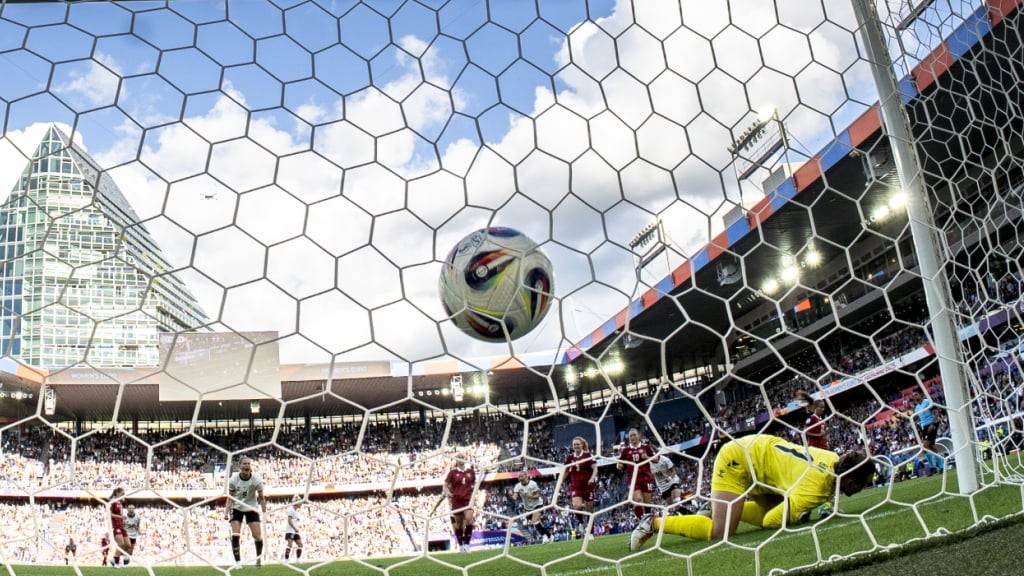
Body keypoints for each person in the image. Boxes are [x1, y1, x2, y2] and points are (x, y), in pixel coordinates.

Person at [630, 434, 875, 551]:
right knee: (721, 533)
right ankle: (654, 523)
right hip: (739, 459)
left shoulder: (833, 459)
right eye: (862, 483)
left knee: (775, 509)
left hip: (762, 459)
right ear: (850, 479)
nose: (863, 488)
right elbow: (771, 521)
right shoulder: (814, 489)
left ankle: (715, 508)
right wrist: (797, 512)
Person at [226, 457, 266, 569]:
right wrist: (225, 512)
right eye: (244, 463)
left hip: (251, 507)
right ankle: (238, 562)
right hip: (236, 508)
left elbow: (261, 497)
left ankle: (258, 560)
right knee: (235, 534)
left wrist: (264, 511)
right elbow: (230, 497)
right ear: (240, 466)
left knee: (257, 536)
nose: (247, 465)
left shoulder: (256, 480)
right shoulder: (233, 480)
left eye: (248, 463)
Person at [561, 436, 597, 537]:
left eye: (577, 444)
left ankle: (590, 531)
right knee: (576, 506)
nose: (576, 446)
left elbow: (595, 468)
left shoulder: (588, 455)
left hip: (588, 485)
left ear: (582, 445)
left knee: (589, 509)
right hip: (576, 485)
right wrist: (560, 481)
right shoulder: (570, 458)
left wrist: (592, 478)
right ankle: (581, 523)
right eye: (574, 444)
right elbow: (566, 471)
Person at [618, 428, 655, 520]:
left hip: (646, 477)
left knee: (647, 503)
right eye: (630, 436)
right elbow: (619, 463)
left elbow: (656, 460)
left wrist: (647, 457)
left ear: (639, 436)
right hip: (633, 479)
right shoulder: (625, 450)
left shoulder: (646, 447)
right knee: (638, 500)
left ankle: (647, 520)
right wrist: (619, 465)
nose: (632, 437)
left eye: (634, 435)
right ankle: (641, 520)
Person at [444, 454, 476, 553]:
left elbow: (474, 484)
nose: (461, 459)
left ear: (465, 459)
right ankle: (461, 545)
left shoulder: (470, 472)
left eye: (462, 458)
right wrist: (448, 492)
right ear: (456, 461)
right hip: (456, 501)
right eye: (459, 458)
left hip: (468, 500)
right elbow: (445, 485)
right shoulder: (452, 473)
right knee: (459, 525)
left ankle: (467, 544)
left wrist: (473, 494)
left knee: (469, 520)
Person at [512, 471, 551, 543]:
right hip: (528, 508)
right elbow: (515, 496)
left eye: (521, 476)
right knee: (537, 523)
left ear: (526, 476)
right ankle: (549, 535)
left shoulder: (533, 484)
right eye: (519, 477)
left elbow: (538, 495)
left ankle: (544, 536)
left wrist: (530, 496)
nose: (520, 478)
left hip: (538, 504)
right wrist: (513, 497)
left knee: (534, 520)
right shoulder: (517, 486)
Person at [911, 391, 942, 475]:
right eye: (913, 396)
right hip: (924, 427)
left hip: (931, 424)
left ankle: (933, 467)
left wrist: (933, 424)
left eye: (916, 394)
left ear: (920, 395)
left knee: (925, 446)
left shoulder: (927, 402)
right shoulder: (917, 408)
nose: (915, 396)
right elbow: (917, 418)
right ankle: (941, 466)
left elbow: (936, 412)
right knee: (931, 447)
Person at [109, 487, 130, 567]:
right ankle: (116, 562)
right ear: (117, 493)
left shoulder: (120, 502)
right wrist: (121, 517)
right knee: (121, 543)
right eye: (122, 493)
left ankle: (119, 559)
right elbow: (110, 514)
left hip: (122, 525)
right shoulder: (113, 502)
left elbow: (120, 514)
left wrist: (123, 520)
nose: (123, 495)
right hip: (116, 526)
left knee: (128, 544)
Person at [284, 497, 303, 563]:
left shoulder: (297, 512)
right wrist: (295, 528)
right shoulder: (291, 510)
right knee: (290, 544)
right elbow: (289, 521)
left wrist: (297, 529)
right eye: (300, 502)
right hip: (290, 531)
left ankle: (298, 560)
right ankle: (286, 559)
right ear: (296, 503)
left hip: (295, 531)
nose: (301, 504)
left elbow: (296, 522)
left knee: (300, 544)